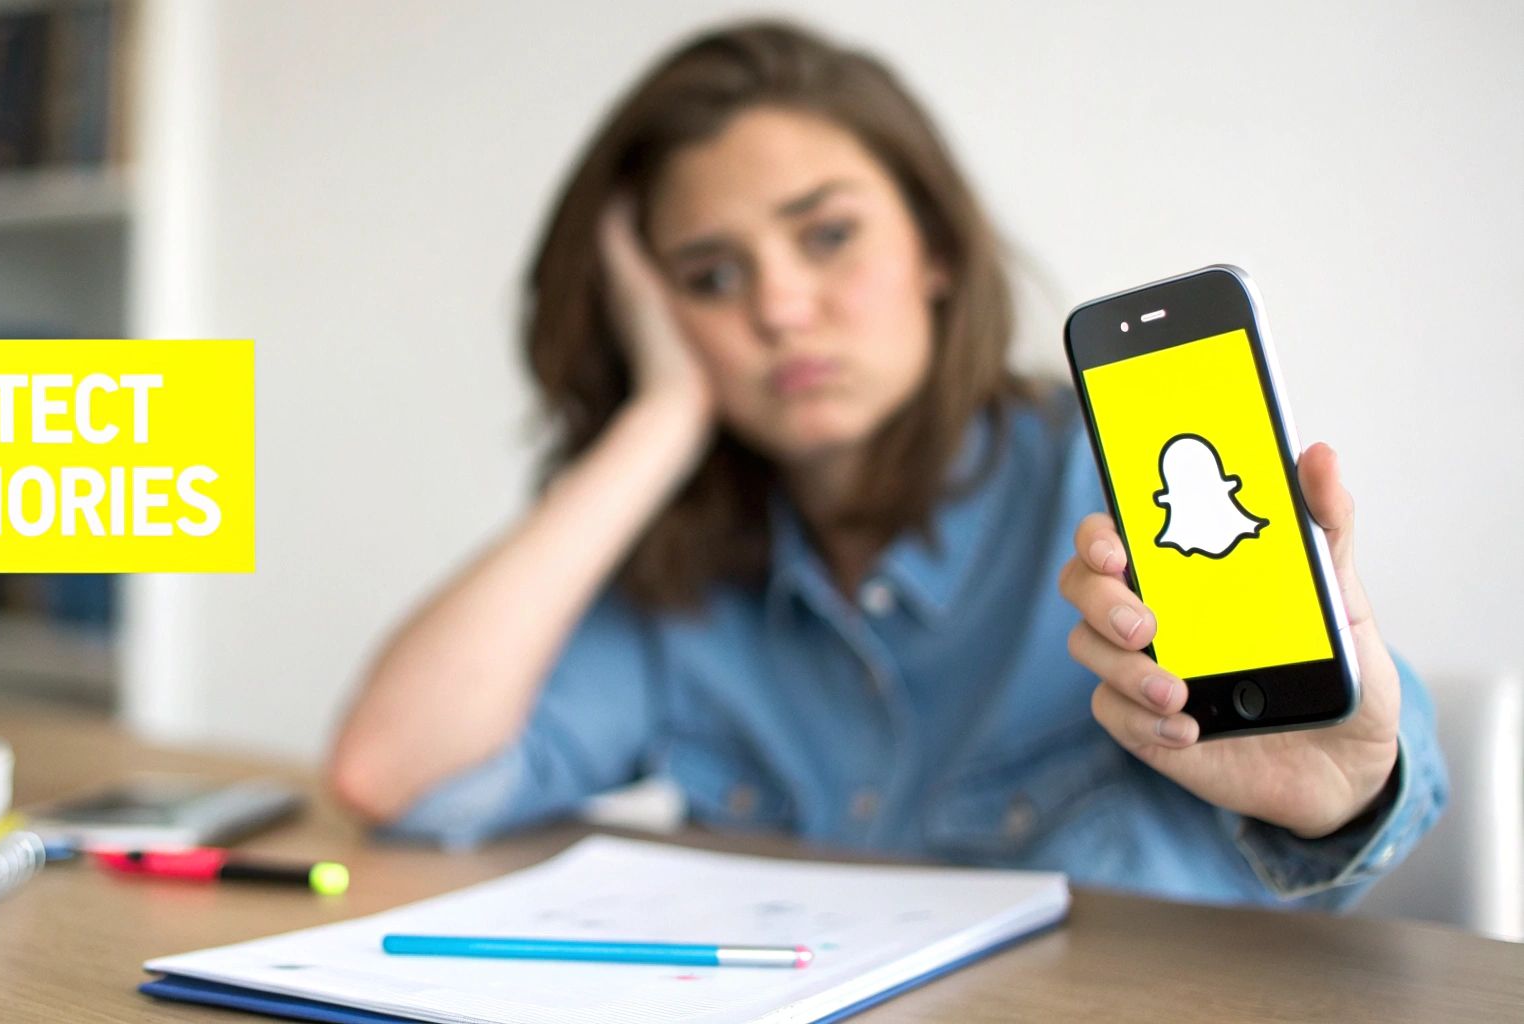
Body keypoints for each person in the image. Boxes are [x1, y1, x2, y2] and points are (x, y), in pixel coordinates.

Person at [328, 19, 1446, 908]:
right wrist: (659, 416)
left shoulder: (1112, 491)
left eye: (826, 236)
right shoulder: (690, 574)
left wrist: (1345, 793)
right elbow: (393, 773)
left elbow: (1359, 760)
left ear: (936, 251)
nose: (777, 306)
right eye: (708, 278)